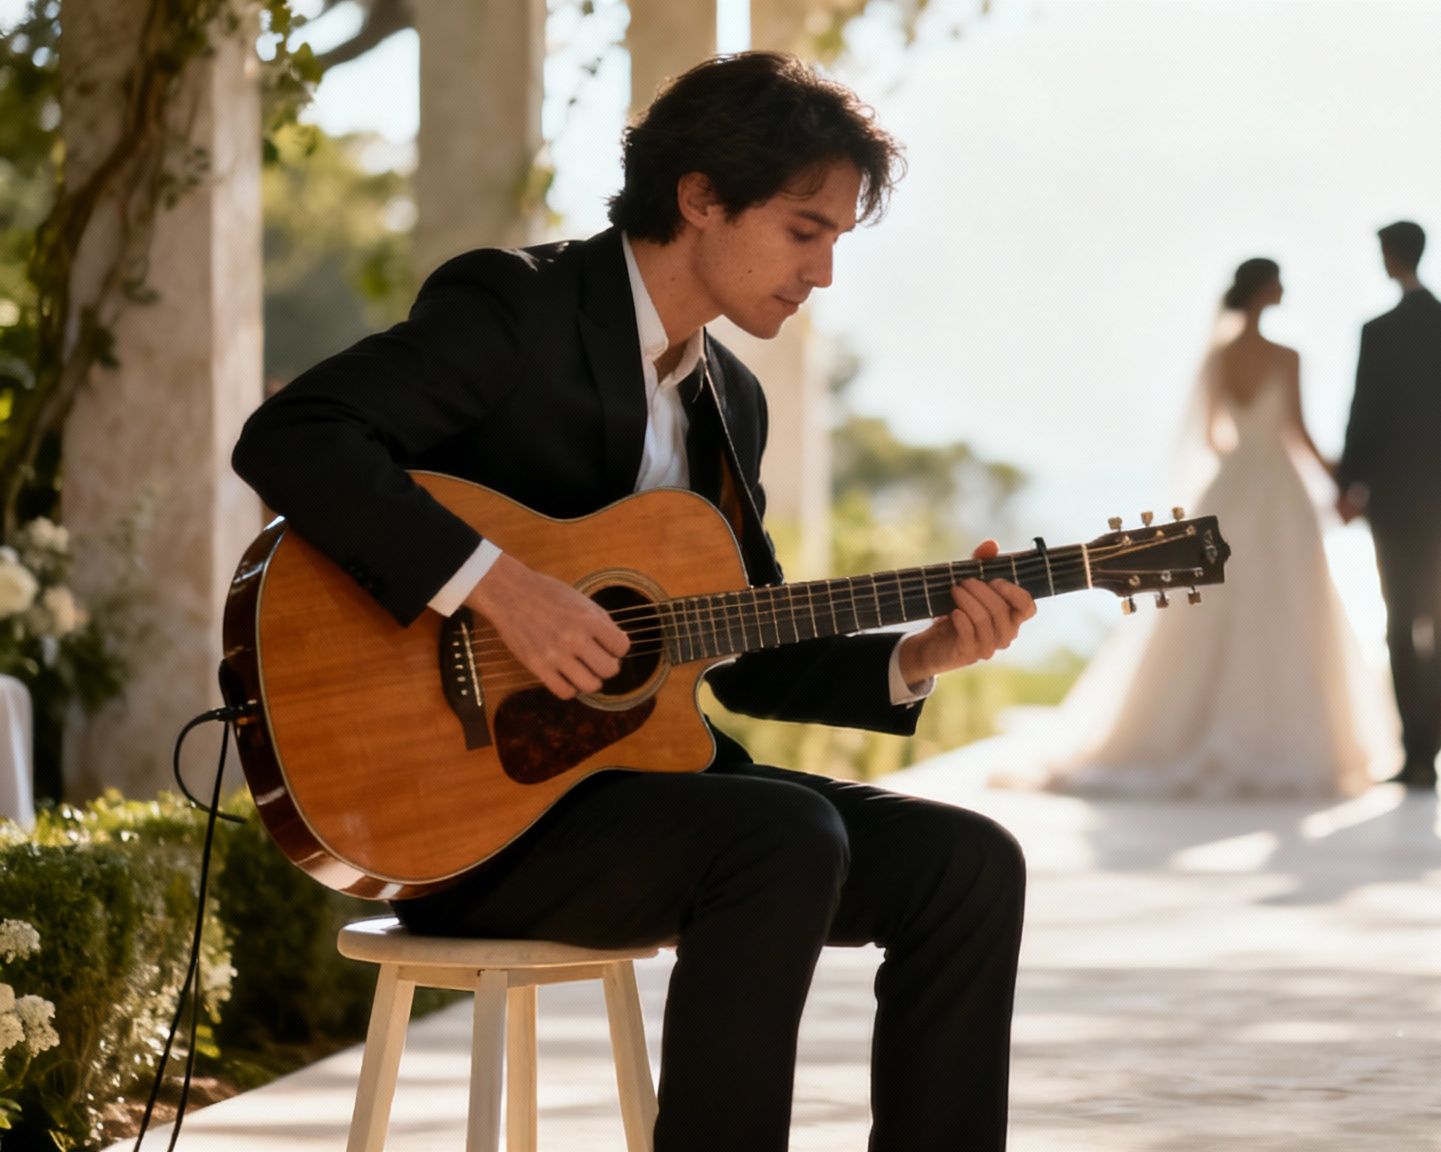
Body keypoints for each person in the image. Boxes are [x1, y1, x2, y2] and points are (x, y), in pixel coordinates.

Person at [233, 53, 1034, 1152]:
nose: (825, 275)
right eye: (806, 231)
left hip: (634, 803)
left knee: (969, 865)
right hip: (464, 818)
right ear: (701, 196)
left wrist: (924, 651)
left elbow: (736, 646)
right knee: (782, 836)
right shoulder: (516, 308)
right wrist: (502, 591)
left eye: (839, 241)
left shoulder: (727, 401)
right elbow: (294, 437)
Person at [1041, 257, 1375, 799]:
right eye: (1280, 281)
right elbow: (1297, 432)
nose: (1285, 288)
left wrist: (1245, 460)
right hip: (1277, 492)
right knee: (1287, 604)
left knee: (1211, 604)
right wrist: (1341, 480)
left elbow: (1215, 437)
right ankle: (1276, 736)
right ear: (1264, 289)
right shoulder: (1287, 357)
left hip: (1230, 486)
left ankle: (1182, 726)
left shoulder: (1218, 357)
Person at [1336, 221, 1441, 791]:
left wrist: (1350, 485)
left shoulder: (1378, 332)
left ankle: (1415, 752)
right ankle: (1432, 749)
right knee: (1440, 620)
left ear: (1390, 256)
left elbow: (1363, 414)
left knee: (1402, 621)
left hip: (1394, 501)